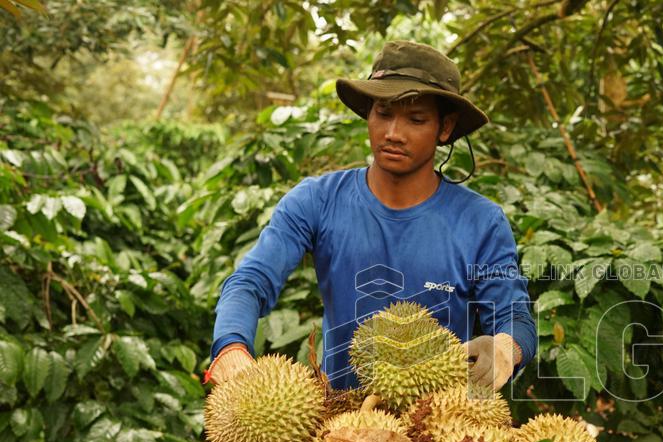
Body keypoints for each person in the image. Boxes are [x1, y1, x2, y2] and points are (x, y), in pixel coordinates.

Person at [205, 41, 537, 392]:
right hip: (336, 422)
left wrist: (504, 347)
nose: (393, 133)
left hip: (436, 425)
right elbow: (250, 281)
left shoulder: (481, 223)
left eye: (416, 119)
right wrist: (231, 345)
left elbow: (514, 317)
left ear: (445, 128)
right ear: (369, 114)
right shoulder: (317, 200)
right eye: (383, 113)